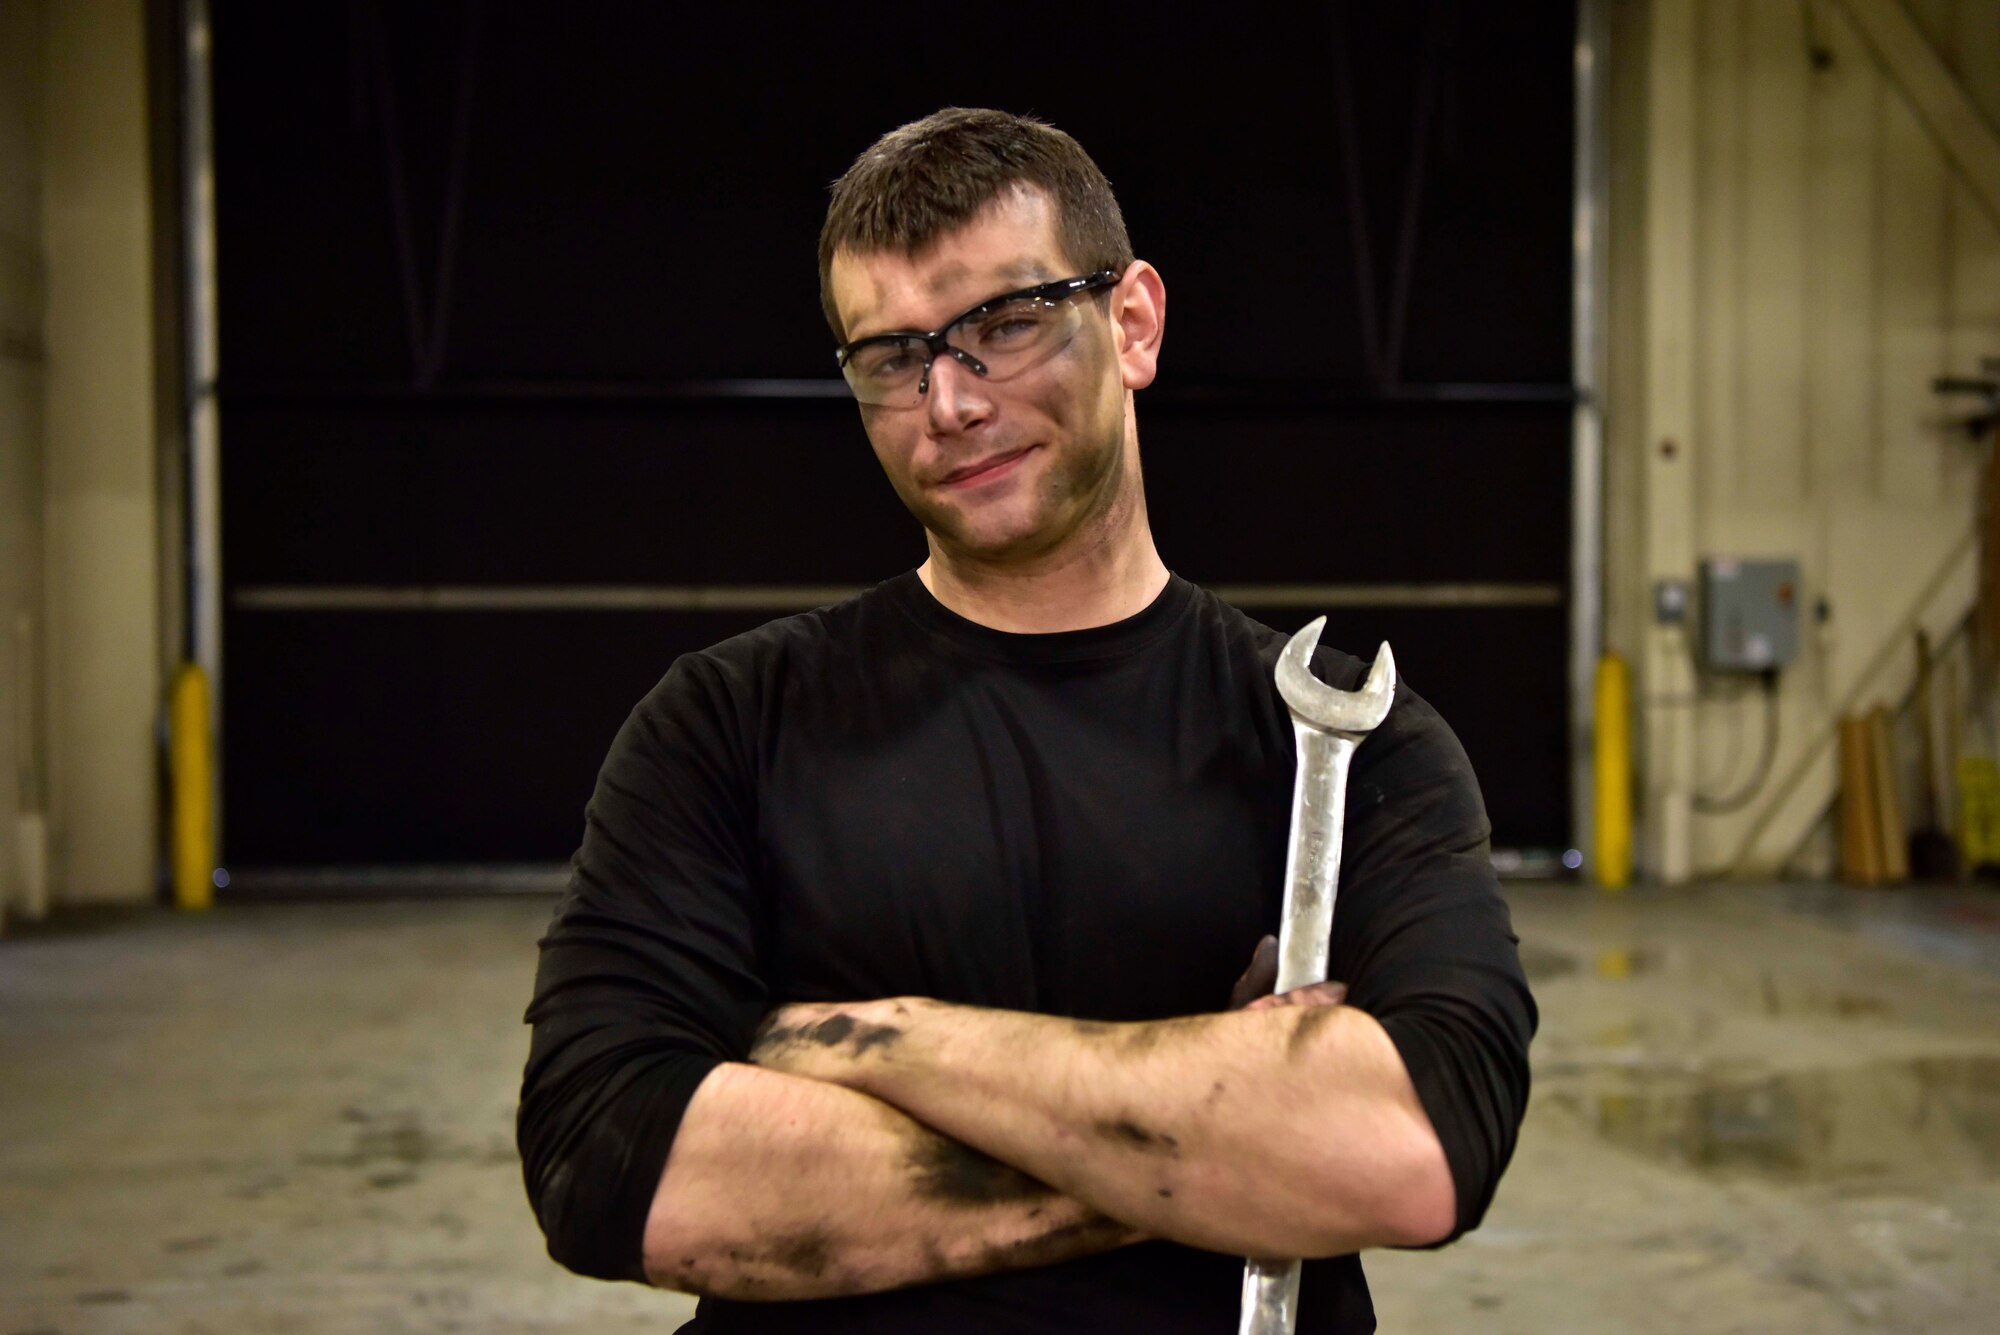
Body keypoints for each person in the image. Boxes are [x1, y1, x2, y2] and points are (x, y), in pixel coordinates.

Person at [517, 106, 1535, 1334]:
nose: (947, 402)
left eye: (1002, 324)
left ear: (1133, 323)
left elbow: (1413, 1154)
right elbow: (614, 1171)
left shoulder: (1341, 747)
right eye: (892, 357)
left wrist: (864, 1040)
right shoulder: (725, 724)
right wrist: (1224, 1139)